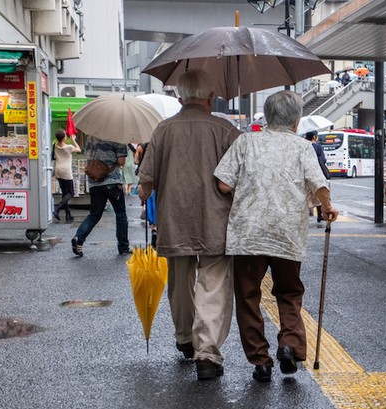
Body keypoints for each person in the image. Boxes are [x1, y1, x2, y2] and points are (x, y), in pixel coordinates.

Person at [214, 90, 338, 383]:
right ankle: (289, 345)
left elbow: (222, 185)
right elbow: (318, 183)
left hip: (248, 233)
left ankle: (261, 360)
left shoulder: (245, 142)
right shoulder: (302, 148)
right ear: (296, 121)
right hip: (287, 233)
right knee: (289, 292)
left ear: (267, 117)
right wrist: (328, 207)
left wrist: (248, 191)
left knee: (247, 297)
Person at [137, 69, 242, 381]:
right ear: (211, 97)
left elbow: (146, 181)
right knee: (214, 285)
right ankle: (207, 353)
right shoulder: (226, 129)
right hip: (216, 221)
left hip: (175, 218)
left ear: (180, 98)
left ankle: (185, 338)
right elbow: (240, 176)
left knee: (180, 282)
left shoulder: (163, 130)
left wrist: (147, 191)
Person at [71, 136, 131, 256]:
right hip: (112, 182)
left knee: (94, 215)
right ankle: (123, 246)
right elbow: (121, 162)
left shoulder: (90, 138)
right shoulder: (117, 137)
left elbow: (89, 156)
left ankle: (79, 237)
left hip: (95, 182)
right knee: (120, 214)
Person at [52, 129, 81, 221]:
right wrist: (73, 140)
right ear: (64, 137)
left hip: (58, 170)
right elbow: (79, 150)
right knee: (71, 193)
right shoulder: (68, 147)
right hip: (66, 171)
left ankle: (68, 214)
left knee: (65, 193)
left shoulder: (55, 145)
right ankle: (57, 208)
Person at [306, 130, 330, 224]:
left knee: (305, 194)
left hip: (304, 174)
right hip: (316, 173)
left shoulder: (302, 146)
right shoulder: (318, 147)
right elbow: (323, 160)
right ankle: (319, 215)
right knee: (318, 193)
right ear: (314, 137)